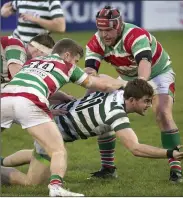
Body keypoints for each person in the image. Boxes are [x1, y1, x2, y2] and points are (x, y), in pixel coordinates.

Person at [1, 78, 183, 188]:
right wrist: (170, 153)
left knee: (105, 130)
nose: (149, 105)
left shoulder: (117, 90)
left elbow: (98, 79)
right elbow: (136, 148)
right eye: (146, 101)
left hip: (52, 118)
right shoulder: (116, 114)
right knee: (32, 182)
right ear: (132, 100)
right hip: (50, 131)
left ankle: (2, 161)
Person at [1, 38, 126, 197]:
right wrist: (121, 84)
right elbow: (101, 85)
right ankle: (56, 187)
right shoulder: (67, 67)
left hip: (4, 97)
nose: (75, 64)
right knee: (58, 150)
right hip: (29, 102)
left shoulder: (33, 60)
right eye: (75, 60)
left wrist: (62, 97)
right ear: (67, 55)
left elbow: (33, 83)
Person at [84, 5, 183, 183]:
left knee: (162, 112)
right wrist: (88, 99)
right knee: (102, 111)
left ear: (119, 25)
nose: (104, 34)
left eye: (109, 30)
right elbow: (90, 74)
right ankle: (108, 168)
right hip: (127, 76)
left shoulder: (135, 35)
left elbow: (144, 64)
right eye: (100, 30)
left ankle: (176, 168)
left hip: (157, 73)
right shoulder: (95, 42)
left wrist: (140, 86)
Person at [1, 0, 65, 43]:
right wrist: (4, 11)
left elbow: (60, 27)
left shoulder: (51, 2)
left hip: (38, 47)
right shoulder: (21, 1)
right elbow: (6, 9)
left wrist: (35, 19)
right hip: (18, 44)